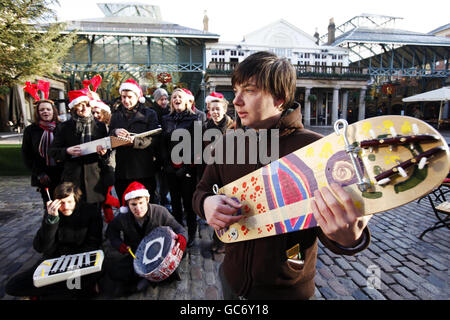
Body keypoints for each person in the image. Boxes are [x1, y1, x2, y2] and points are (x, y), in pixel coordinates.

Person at [192, 51, 372, 300]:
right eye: (236, 90)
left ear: (279, 98)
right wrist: (206, 204)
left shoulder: (316, 150)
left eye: (250, 90)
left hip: (286, 290)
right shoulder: (227, 143)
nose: (236, 100)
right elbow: (202, 190)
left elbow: (338, 231)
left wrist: (347, 236)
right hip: (231, 279)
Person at [5, 182, 103, 299]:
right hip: (53, 261)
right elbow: (41, 247)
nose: (65, 206)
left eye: (69, 202)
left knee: (72, 286)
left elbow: (93, 243)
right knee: (13, 286)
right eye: (61, 203)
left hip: (78, 262)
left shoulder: (91, 212)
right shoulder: (52, 213)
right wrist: (51, 221)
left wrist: (69, 265)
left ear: (76, 200)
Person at [103, 181, 187, 296]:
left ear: (147, 200)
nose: (138, 208)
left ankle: (143, 282)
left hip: (159, 256)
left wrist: (181, 240)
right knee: (114, 271)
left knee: (178, 258)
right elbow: (111, 231)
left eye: (141, 203)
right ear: (128, 204)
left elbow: (180, 230)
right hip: (137, 256)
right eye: (133, 204)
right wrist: (119, 245)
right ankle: (145, 280)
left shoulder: (160, 211)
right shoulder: (123, 217)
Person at [49, 88, 113, 207]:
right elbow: (52, 151)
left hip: (95, 177)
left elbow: (108, 154)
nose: (85, 109)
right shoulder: (64, 127)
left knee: (94, 216)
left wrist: (103, 153)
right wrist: (67, 151)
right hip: (72, 177)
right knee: (75, 212)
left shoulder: (100, 126)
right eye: (81, 105)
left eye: (88, 105)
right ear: (74, 107)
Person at [109, 79, 160, 203]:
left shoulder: (149, 114)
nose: (126, 100)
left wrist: (134, 142)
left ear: (138, 96)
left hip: (143, 169)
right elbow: (109, 134)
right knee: (125, 204)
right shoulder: (116, 115)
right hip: (122, 169)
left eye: (129, 97)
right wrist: (115, 131)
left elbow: (154, 138)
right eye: (123, 97)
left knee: (146, 204)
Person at [161, 88, 201, 247]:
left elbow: (197, 145)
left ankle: (191, 233)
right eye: (174, 97)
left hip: (187, 169)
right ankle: (179, 232)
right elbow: (162, 144)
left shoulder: (195, 118)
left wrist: (186, 166)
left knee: (188, 203)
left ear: (186, 101)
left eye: (180, 97)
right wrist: (167, 164)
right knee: (175, 203)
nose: (176, 99)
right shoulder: (166, 119)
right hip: (170, 168)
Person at [21, 97, 63, 209]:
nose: (45, 112)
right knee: (49, 205)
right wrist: (39, 173)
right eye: (42, 110)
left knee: (63, 203)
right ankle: (51, 224)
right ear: (38, 112)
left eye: (48, 109)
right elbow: (27, 154)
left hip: (62, 172)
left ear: (53, 111)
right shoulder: (31, 130)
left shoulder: (62, 127)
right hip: (43, 174)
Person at [150, 88, 171, 207]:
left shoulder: (170, 112)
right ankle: (157, 202)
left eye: (165, 99)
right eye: (161, 99)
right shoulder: (152, 112)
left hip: (167, 152)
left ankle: (165, 200)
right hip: (155, 153)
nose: (164, 102)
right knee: (156, 180)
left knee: (165, 181)